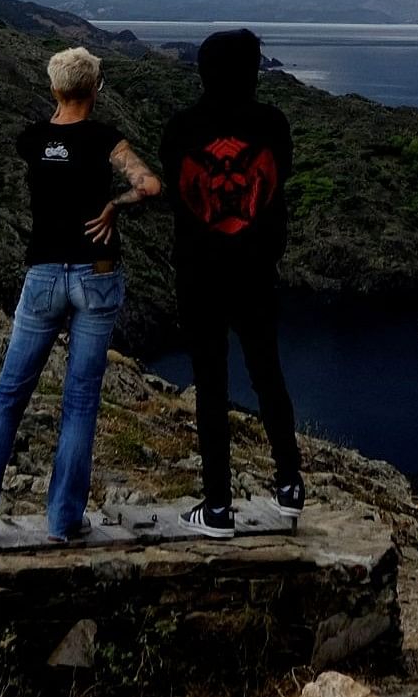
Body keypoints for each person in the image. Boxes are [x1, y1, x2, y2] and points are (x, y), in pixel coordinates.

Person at [0, 47, 161, 543]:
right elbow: (149, 185)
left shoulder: (32, 139)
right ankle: (64, 520)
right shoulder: (107, 139)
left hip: (43, 275)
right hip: (97, 275)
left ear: (54, 88)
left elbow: (50, 144)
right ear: (97, 89)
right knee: (80, 400)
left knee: (8, 396)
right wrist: (113, 203)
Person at [161, 28, 306, 537]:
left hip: (199, 273)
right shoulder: (272, 124)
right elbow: (276, 180)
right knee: (269, 374)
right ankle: (289, 484)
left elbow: (177, 195)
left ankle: (217, 506)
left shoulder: (181, 128)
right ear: (252, 69)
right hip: (256, 272)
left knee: (210, 387)